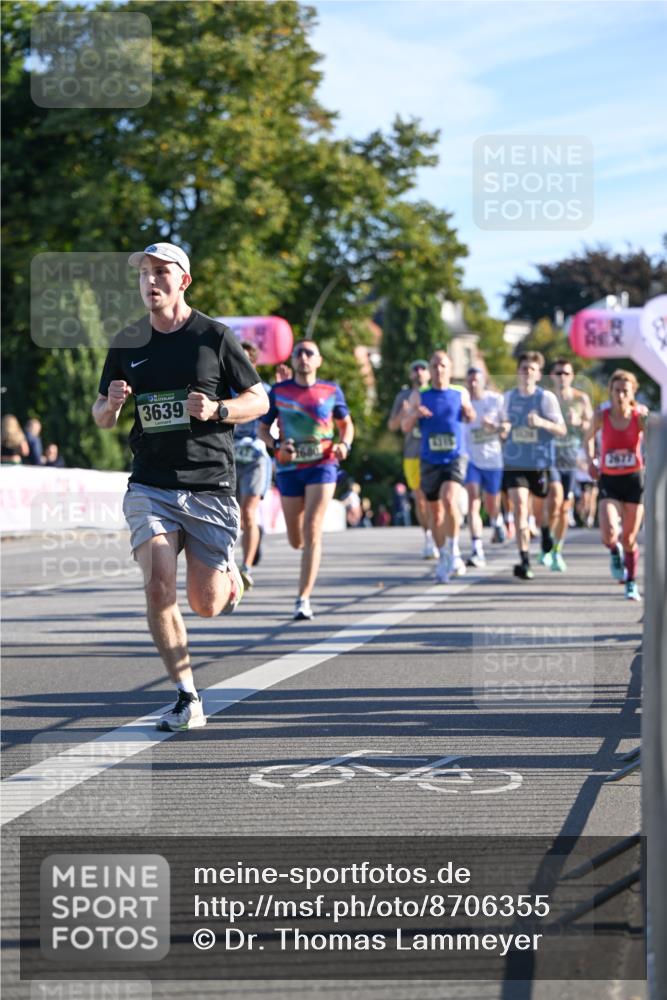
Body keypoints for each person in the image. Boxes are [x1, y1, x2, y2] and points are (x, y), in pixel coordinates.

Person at [92, 241, 268, 732]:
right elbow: (101, 417)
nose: (151, 281)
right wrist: (110, 405)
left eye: (161, 273)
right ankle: (187, 696)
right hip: (151, 483)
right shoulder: (127, 341)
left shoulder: (213, 337)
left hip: (210, 484)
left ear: (183, 280)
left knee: (206, 605)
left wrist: (219, 410)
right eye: (144, 273)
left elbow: (260, 399)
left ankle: (228, 574)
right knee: (157, 583)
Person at [258, 339, 354, 620]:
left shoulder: (331, 390)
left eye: (309, 352)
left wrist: (344, 445)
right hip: (289, 469)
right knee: (296, 539)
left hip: (323, 465)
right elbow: (263, 429)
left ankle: (303, 598)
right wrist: (277, 447)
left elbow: (346, 425)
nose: (303, 357)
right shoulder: (280, 391)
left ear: (319, 360)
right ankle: (303, 557)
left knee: (313, 528)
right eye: (298, 352)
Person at [401, 350, 475, 583]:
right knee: (435, 511)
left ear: (450, 368)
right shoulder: (419, 395)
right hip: (429, 458)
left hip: (455, 456)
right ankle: (444, 554)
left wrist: (469, 412)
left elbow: (471, 416)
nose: (438, 370)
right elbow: (404, 426)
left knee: (449, 498)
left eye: (442, 365)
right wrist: (414, 414)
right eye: (434, 366)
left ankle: (454, 551)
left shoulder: (460, 392)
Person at [499, 351, 566, 580]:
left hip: (540, 462)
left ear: (538, 375)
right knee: (519, 507)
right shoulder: (508, 397)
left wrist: (541, 422)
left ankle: (546, 530)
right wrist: (502, 428)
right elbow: (501, 424)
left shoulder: (546, 398)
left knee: (547, 506)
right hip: (515, 462)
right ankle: (524, 559)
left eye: (532, 369)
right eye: (524, 368)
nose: (527, 372)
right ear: (518, 372)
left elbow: (561, 429)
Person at [586, 369, 648, 602]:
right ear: (610, 392)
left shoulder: (639, 417)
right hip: (609, 479)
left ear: (632, 393)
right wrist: (592, 458)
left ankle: (631, 582)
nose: (620, 395)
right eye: (616, 390)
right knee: (609, 532)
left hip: (633, 479)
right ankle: (614, 551)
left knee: (630, 538)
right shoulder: (601, 415)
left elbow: (654, 438)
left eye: (625, 391)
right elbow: (588, 438)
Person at [546, 359, 593, 571]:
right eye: (558, 373)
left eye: (566, 373)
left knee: (565, 506)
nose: (562, 377)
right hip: (550, 455)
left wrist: (579, 423)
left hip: (571, 456)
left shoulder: (581, 399)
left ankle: (557, 548)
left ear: (572, 375)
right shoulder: (546, 398)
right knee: (554, 499)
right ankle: (547, 535)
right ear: (552, 375)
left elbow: (592, 428)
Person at [388, 359, 437, 558]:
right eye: (414, 369)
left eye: (422, 368)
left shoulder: (435, 394)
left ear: (429, 373)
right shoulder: (403, 396)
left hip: (434, 453)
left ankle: (439, 535)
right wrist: (404, 412)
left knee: (435, 499)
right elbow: (392, 426)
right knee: (420, 499)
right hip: (412, 453)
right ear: (410, 375)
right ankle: (428, 537)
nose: (418, 372)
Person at [233, 340, 273, 590]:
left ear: (254, 363)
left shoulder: (265, 390)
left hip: (255, 461)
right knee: (232, 516)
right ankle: (253, 533)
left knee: (248, 511)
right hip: (229, 459)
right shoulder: (223, 388)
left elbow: (277, 423)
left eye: (247, 358)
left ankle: (245, 568)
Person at [463, 365, 505, 567]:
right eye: (469, 380)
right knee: (473, 500)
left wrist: (495, 427)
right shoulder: (464, 403)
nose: (472, 384)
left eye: (476, 380)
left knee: (492, 504)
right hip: (471, 460)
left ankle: (497, 521)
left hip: (493, 459)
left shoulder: (496, 400)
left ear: (483, 381)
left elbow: (507, 428)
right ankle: (476, 548)